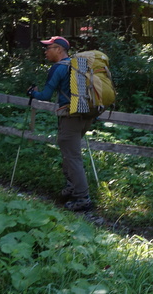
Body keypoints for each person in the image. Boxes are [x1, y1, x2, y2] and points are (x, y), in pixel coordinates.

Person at [28, 36, 93, 211]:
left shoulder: (58, 68)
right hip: (86, 115)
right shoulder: (79, 65)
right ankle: (72, 188)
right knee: (70, 154)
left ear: (59, 49)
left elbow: (45, 96)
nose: (45, 51)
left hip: (70, 117)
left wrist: (32, 93)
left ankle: (82, 198)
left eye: (48, 48)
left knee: (72, 157)